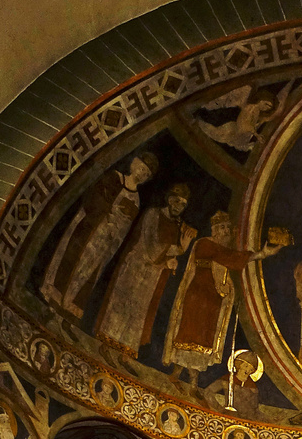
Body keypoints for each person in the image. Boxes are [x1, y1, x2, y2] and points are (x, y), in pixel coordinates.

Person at [163, 211, 283, 384]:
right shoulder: (205, 244)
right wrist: (260, 255)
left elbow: (229, 258)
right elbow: (229, 257)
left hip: (213, 300)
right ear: (214, 230)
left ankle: (191, 380)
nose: (226, 231)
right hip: (197, 297)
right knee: (188, 335)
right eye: (222, 228)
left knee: (204, 340)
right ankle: (180, 375)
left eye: (228, 227)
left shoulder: (224, 250)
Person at [41, 153, 159, 317]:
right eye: (141, 168)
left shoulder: (136, 199)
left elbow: (126, 226)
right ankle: (54, 300)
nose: (142, 173)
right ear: (134, 164)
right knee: (72, 259)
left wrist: (116, 228)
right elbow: (95, 197)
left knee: (88, 273)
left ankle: (68, 310)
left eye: (146, 173)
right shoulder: (115, 178)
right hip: (89, 230)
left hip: (105, 242)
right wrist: (109, 214)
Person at [95, 183, 196, 354]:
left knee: (138, 312)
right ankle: (107, 345)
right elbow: (151, 246)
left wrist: (171, 262)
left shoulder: (178, 225)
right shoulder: (153, 214)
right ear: (170, 200)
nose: (179, 207)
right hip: (136, 265)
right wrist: (180, 249)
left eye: (183, 205)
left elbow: (165, 255)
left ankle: (126, 354)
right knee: (121, 304)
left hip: (152, 274)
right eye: (177, 202)